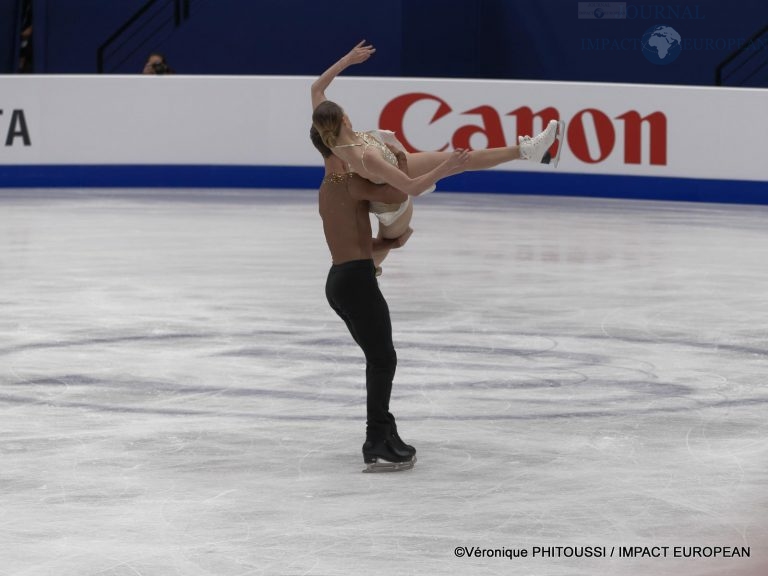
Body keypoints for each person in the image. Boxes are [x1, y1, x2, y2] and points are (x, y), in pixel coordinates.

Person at [312, 41, 564, 205]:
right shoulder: (366, 156)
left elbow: (316, 88)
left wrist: (348, 59)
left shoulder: (331, 136)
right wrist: (445, 167)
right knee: (467, 160)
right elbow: (411, 188)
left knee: (467, 162)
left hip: (387, 157)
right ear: (344, 119)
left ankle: (531, 154)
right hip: (399, 168)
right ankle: (528, 151)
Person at [312, 123, 419, 473]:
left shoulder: (327, 189)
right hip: (357, 283)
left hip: (340, 280)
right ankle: (376, 440)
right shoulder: (352, 183)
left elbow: (354, 246)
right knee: (382, 360)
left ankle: (386, 431)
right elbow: (396, 194)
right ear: (335, 146)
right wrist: (400, 156)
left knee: (379, 359)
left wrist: (389, 244)